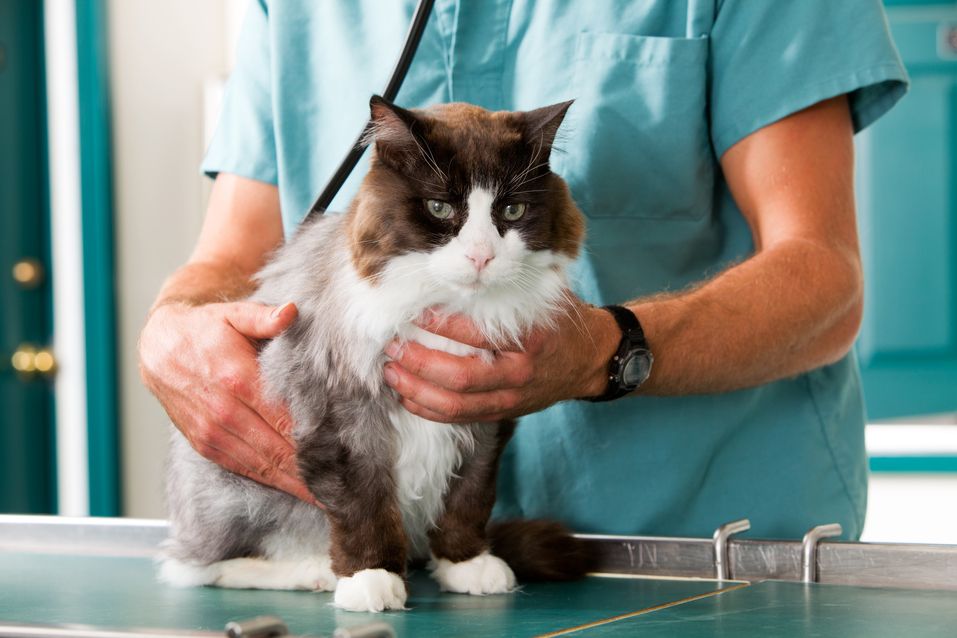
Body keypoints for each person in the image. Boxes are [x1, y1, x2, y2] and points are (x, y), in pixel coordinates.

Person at [139, 1, 908, 539]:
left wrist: (603, 353)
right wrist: (171, 329)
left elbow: (823, 280)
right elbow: (232, 262)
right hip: (406, 564)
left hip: (703, 549)